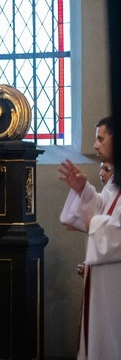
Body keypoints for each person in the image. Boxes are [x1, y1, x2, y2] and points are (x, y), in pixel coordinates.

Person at [59, 116, 120, 359]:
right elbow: (105, 207)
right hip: (105, 279)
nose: (95, 145)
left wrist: (93, 224)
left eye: (100, 138)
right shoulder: (115, 181)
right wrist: (83, 190)